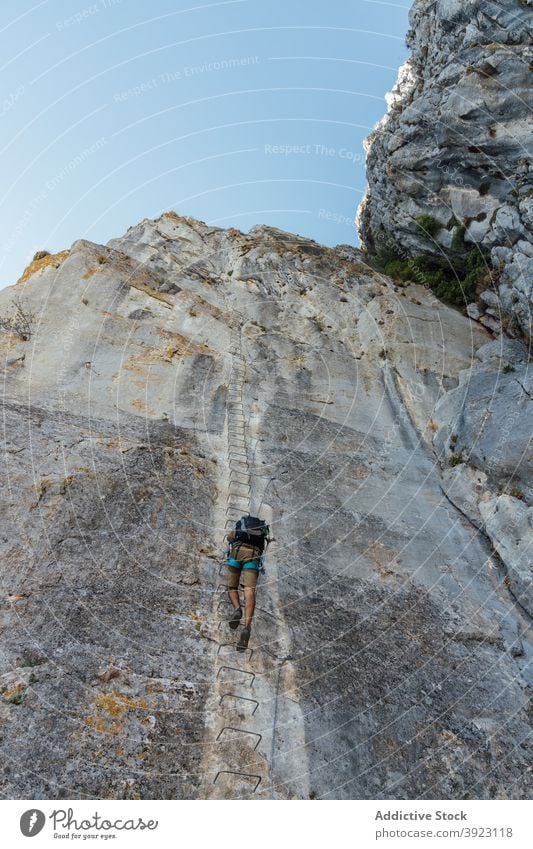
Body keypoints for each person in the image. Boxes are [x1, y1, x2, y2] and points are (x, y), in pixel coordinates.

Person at [225, 527, 262, 651]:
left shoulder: (240, 525)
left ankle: (237, 609)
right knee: (249, 590)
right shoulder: (262, 532)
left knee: (232, 587)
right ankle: (247, 626)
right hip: (252, 556)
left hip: (237, 552)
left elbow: (229, 538)